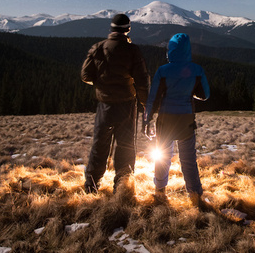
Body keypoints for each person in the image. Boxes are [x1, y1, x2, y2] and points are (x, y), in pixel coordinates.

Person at [81, 13, 150, 194]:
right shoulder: (132, 50)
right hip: (126, 106)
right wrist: (146, 104)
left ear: (111, 29)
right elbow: (142, 80)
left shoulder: (98, 48)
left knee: (99, 145)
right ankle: (122, 188)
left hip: (104, 106)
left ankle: (91, 187)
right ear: (127, 29)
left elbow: (85, 76)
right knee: (126, 146)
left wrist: (102, 83)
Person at [144, 33, 210, 208]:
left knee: (163, 157)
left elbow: (153, 99)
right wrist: (189, 91)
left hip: (166, 121)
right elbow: (205, 95)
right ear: (188, 49)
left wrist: (147, 120)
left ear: (171, 50)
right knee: (188, 159)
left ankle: (160, 191)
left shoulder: (162, 71)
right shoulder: (197, 70)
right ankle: (195, 195)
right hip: (186, 120)